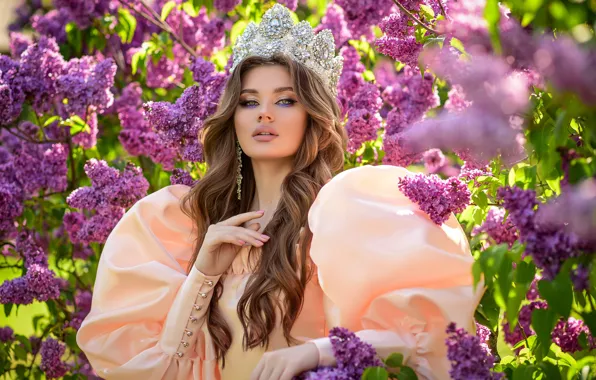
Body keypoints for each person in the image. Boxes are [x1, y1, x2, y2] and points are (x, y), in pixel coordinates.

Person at [76, 4, 483, 380]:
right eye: (249, 102)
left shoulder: (346, 213)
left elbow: (425, 338)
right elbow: (156, 371)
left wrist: (316, 353)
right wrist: (203, 273)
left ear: (313, 116)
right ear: (232, 117)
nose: (264, 114)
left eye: (286, 100)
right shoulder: (181, 224)